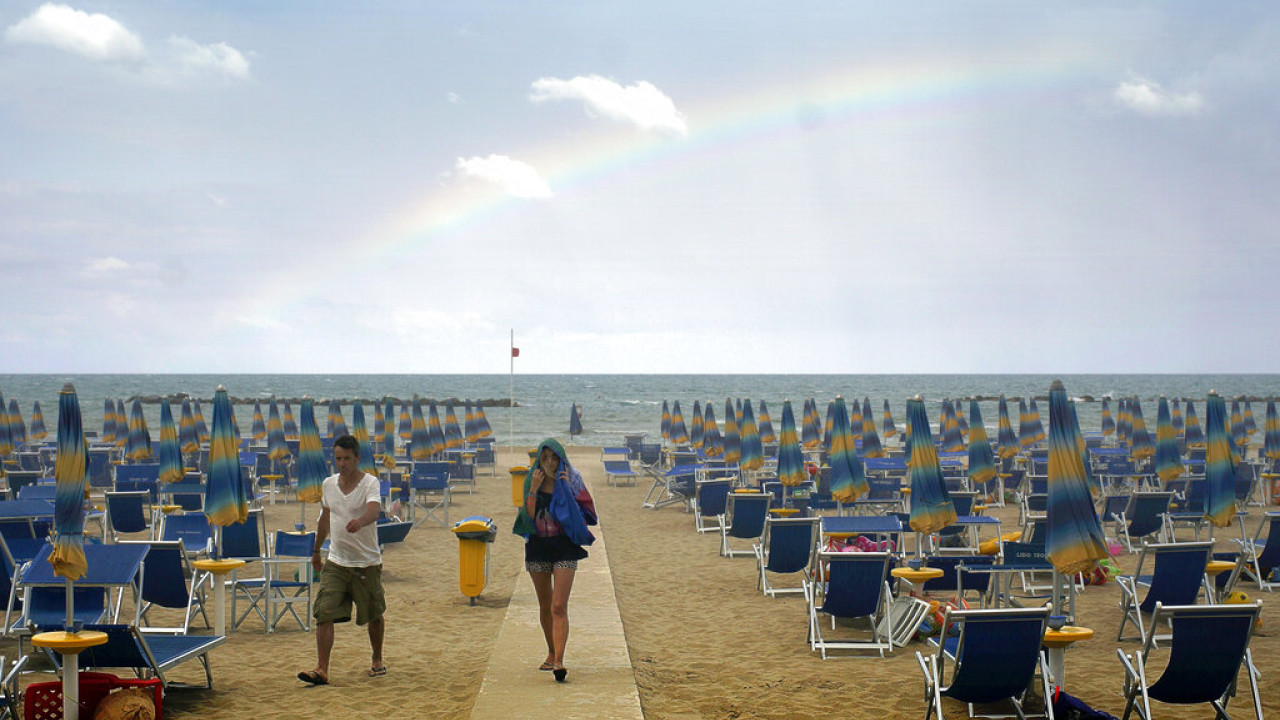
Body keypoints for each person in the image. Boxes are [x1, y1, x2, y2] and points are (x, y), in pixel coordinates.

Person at [297, 434, 386, 685]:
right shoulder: (328, 484)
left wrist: (361, 521)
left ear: (357, 458)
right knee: (324, 612)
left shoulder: (370, 483)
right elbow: (324, 518)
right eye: (338, 458)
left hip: (366, 562)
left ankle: (377, 659)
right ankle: (322, 669)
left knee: (374, 614)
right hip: (336, 561)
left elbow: (374, 510)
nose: (342, 463)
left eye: (347, 458)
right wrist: (316, 550)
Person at [512, 438, 597, 682]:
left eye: (554, 457)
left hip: (564, 548)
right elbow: (527, 517)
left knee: (559, 605)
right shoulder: (532, 479)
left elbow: (584, 515)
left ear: (561, 458)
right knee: (545, 605)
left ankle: (559, 660)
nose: (549, 462)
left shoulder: (572, 479)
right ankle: (550, 651)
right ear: (539, 458)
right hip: (538, 548)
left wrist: (567, 489)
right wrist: (533, 490)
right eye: (545, 457)